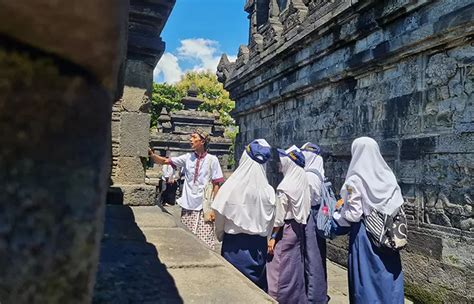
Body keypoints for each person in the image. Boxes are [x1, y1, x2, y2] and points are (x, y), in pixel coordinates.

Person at [333, 137, 404, 304]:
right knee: (388, 276)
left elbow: (353, 214)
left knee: (367, 279)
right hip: (388, 235)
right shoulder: (388, 176)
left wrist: (339, 210)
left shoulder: (355, 180)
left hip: (365, 237)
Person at [212, 139, 276, 291]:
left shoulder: (231, 186)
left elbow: (219, 215)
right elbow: (270, 224)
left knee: (233, 290)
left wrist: (220, 234)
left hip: (234, 247)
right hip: (258, 247)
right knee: (256, 290)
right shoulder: (268, 191)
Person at [148, 128, 225, 249]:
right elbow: (165, 161)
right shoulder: (187, 158)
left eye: (194, 137)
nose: (191, 139)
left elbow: (216, 184)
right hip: (188, 205)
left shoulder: (212, 160)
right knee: (187, 242)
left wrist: (214, 208)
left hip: (204, 207)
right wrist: (152, 155)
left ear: (202, 141)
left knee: (205, 242)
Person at [267, 145, 311, 304]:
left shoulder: (284, 188)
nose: (280, 165)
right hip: (298, 228)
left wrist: (272, 236)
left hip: (285, 229)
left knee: (278, 267)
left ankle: (277, 297)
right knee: (294, 266)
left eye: (282, 161)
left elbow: (278, 218)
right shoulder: (302, 180)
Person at [300, 142, 328, 304]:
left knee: (312, 257)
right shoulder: (319, 173)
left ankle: (313, 295)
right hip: (318, 216)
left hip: (310, 215)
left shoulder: (309, 176)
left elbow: (306, 200)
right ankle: (318, 292)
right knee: (317, 255)